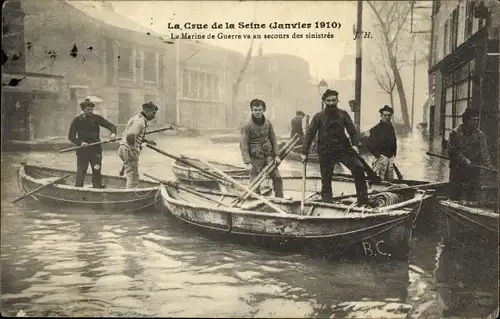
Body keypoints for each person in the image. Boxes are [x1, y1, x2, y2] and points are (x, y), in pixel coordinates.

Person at [300, 89, 373, 206]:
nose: (331, 103)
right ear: (324, 101)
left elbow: (353, 131)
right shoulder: (318, 117)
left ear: (337, 101)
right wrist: (304, 152)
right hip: (326, 150)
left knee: (358, 168)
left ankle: (363, 200)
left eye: (333, 100)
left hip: (343, 149)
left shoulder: (343, 114)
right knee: (326, 177)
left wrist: (355, 145)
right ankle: (327, 202)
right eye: (328, 100)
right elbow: (309, 134)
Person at [68, 99, 117, 188]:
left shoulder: (96, 118)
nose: (90, 111)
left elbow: (111, 126)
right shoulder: (77, 120)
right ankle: (78, 190)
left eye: (91, 109)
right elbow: (71, 136)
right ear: (83, 110)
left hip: (96, 150)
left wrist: (113, 133)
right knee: (81, 171)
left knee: (97, 170)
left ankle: (97, 188)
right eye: (88, 109)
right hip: (83, 151)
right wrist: (80, 142)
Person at [240, 99, 283, 197]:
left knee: (277, 178)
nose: (257, 112)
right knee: (255, 183)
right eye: (255, 110)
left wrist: (277, 155)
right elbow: (243, 145)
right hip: (255, 158)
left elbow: (273, 139)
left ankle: (280, 199)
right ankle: (256, 200)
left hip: (268, 156)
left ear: (264, 110)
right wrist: (247, 162)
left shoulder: (268, 123)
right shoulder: (247, 126)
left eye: (259, 110)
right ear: (251, 110)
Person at [448, 108, 492, 202]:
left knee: (472, 196)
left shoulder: (479, 134)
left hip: (473, 170)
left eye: (477, 120)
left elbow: (484, 151)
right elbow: (452, 151)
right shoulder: (454, 133)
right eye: (473, 120)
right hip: (457, 169)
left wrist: (488, 165)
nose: (475, 122)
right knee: (455, 194)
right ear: (466, 120)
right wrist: (465, 160)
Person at [118, 102, 158, 189]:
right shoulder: (141, 121)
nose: (154, 116)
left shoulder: (135, 118)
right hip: (128, 149)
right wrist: (133, 150)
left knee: (131, 173)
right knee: (133, 177)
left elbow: (133, 134)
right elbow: (130, 135)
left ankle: (128, 191)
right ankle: (129, 195)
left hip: (122, 148)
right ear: (147, 111)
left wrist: (146, 140)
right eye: (153, 113)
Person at [366, 105, 397, 181]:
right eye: (385, 115)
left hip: (390, 158)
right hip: (380, 159)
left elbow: (394, 141)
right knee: (378, 179)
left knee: (390, 179)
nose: (387, 117)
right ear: (381, 116)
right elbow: (369, 144)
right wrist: (379, 155)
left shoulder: (391, 128)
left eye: (389, 115)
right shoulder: (375, 129)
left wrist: (393, 154)